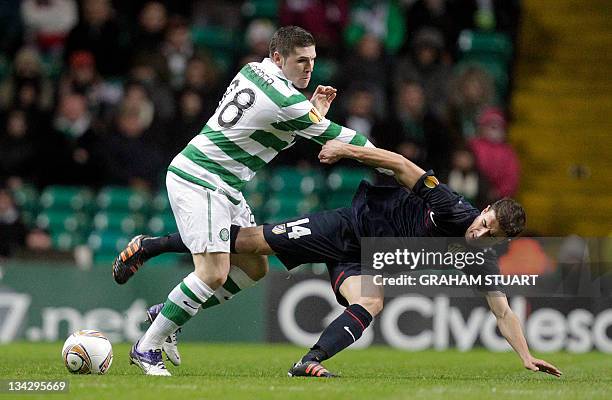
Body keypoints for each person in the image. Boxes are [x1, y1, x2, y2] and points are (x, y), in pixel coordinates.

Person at [116, 140, 561, 379]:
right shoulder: (449, 205)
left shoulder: (478, 257)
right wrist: (347, 151)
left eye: (490, 235)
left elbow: (502, 308)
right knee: (248, 245)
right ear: (484, 210)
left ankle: (307, 362)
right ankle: (151, 246)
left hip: (365, 261)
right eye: (485, 221)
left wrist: (525, 356)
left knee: (371, 302)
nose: (480, 232)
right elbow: (400, 164)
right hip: (346, 228)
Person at [118, 26, 384, 376]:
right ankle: (146, 347)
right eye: (301, 61)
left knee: (255, 266)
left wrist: (311, 113)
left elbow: (269, 130)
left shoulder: (252, 71)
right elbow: (341, 137)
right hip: (202, 178)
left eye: (313, 61)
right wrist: (392, 162)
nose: (309, 69)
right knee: (213, 272)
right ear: (278, 58)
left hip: (225, 184)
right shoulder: (287, 101)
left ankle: (166, 312)